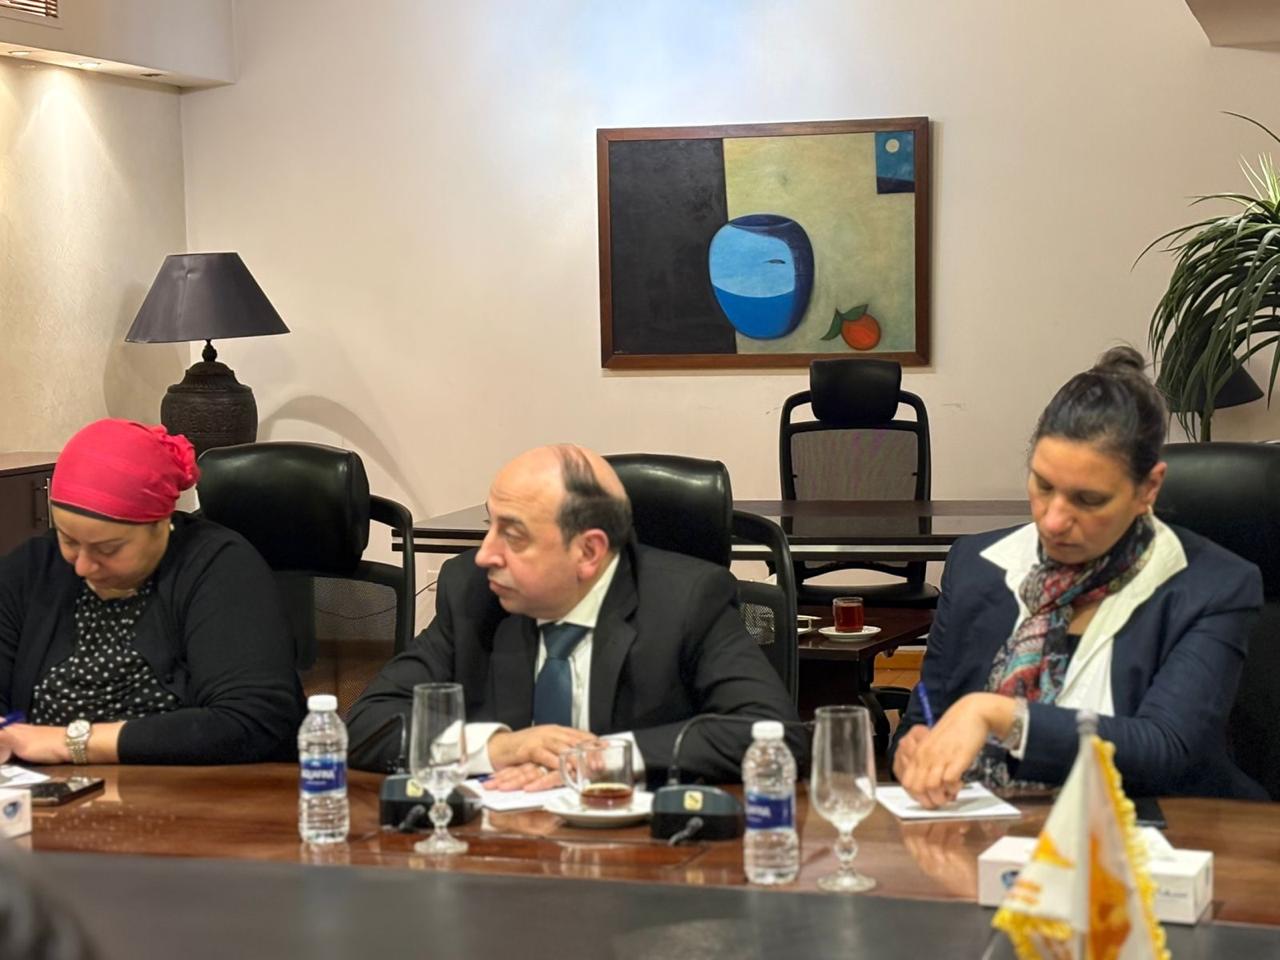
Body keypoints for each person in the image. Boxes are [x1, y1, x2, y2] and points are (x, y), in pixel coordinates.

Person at [891, 347, 1265, 805]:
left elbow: (1165, 750)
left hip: (1157, 828)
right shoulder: (976, 564)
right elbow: (924, 717)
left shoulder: (1213, 586)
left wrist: (1000, 714)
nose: (1053, 520)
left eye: (1088, 500)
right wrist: (913, 750)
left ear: (1148, 487)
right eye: (1043, 485)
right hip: (986, 825)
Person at [348, 444, 802, 787]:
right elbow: (365, 724)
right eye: (491, 525)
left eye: (514, 536)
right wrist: (499, 746)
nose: (485, 555)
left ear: (588, 552)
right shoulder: (472, 592)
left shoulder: (686, 600)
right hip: (498, 846)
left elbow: (777, 735)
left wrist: (604, 758)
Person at [0, 419, 304, 765]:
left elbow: (252, 719)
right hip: (45, 794)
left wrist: (68, 743)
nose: (82, 566)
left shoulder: (217, 566)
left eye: (108, 549)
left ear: (161, 524)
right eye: (68, 540)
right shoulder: (31, 570)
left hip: (196, 791)